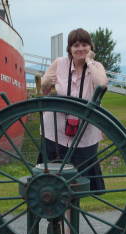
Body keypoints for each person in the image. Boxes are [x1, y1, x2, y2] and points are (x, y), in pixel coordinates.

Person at [40, 28, 108, 192]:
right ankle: (57, 216)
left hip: (85, 134)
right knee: (53, 181)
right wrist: (46, 82)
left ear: (90, 47)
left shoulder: (96, 66)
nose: (80, 49)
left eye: (84, 45)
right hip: (55, 132)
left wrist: (90, 62)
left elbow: (101, 85)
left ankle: (71, 216)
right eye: (76, 45)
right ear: (69, 48)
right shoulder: (59, 63)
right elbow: (43, 89)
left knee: (79, 182)